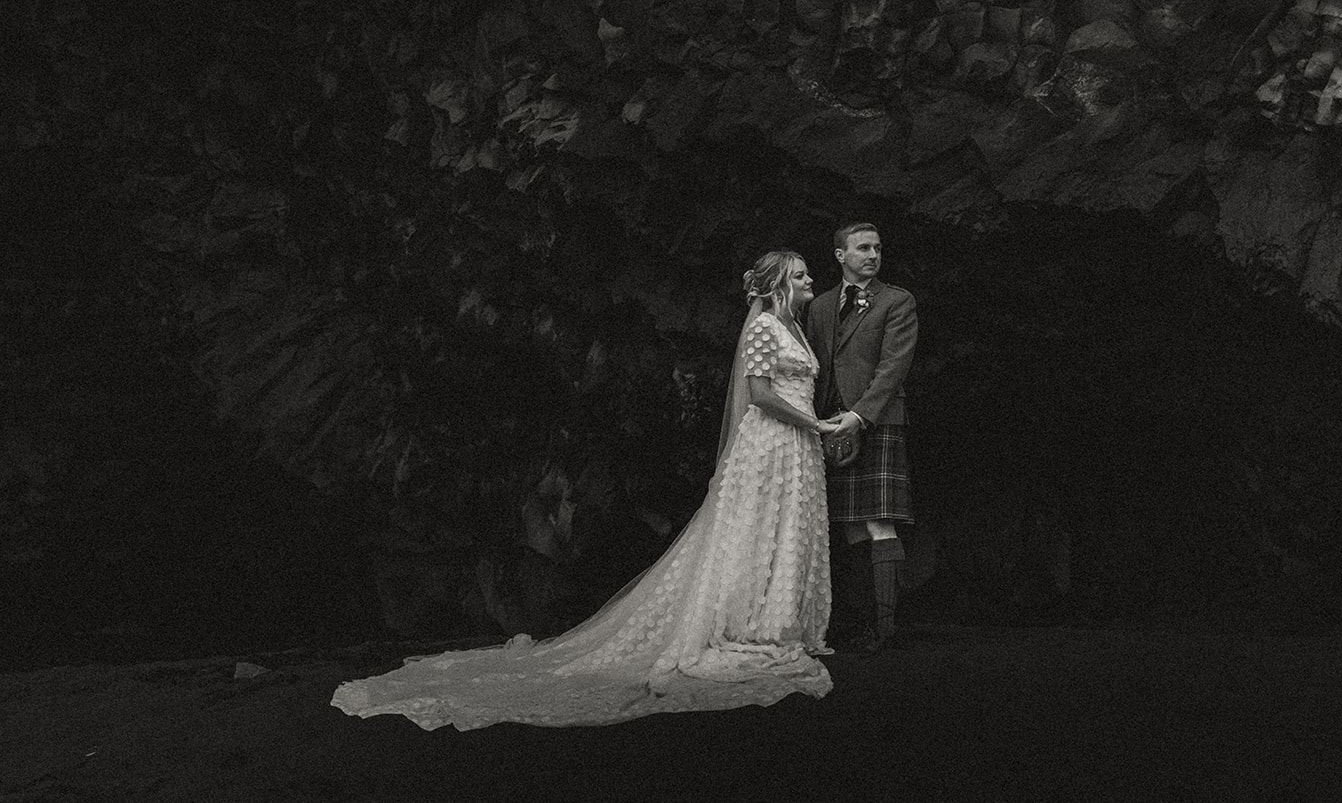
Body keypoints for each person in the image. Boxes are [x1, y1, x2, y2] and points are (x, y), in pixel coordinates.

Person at [331, 252, 841, 729]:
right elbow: (758, 394)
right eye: (799, 276)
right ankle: (749, 623)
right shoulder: (764, 328)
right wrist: (814, 423)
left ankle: (781, 620)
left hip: (794, 447)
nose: (810, 282)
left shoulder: (794, 330)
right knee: (752, 533)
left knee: (786, 528)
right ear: (777, 287)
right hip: (772, 446)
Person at [805, 222, 918, 653]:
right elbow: (817, 366)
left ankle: (886, 629)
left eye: (877, 247)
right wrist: (818, 420)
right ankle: (859, 624)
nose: (873, 255)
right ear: (840, 255)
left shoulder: (897, 301)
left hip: (877, 421)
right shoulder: (820, 307)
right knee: (850, 525)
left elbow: (894, 367)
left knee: (879, 521)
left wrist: (859, 415)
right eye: (863, 248)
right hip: (831, 424)